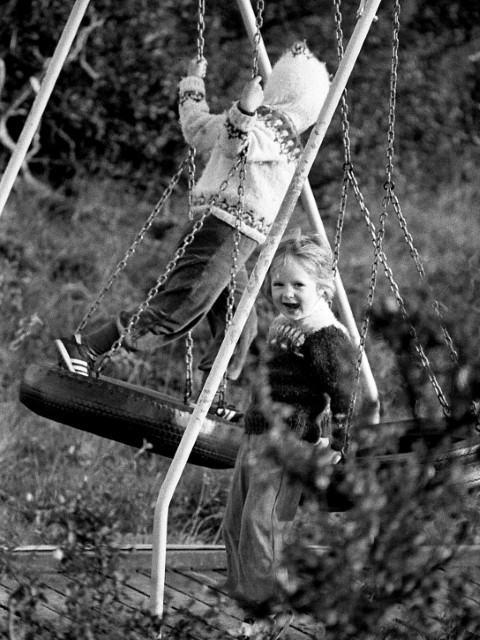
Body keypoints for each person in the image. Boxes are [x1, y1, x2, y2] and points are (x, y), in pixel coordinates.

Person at [54, 42, 331, 420]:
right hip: (226, 231)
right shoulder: (276, 128)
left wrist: (192, 83)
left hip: (227, 235)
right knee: (179, 308)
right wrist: (245, 110)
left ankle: (212, 397)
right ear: (306, 104)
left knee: (240, 325)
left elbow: (197, 128)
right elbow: (235, 144)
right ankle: (86, 347)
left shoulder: (257, 122)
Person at [222, 231, 356, 636]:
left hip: (288, 443)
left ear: (322, 287)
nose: (287, 293)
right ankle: (251, 608)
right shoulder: (283, 325)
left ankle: (272, 611)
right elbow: (272, 379)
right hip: (257, 435)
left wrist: (338, 444)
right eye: (278, 283)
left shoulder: (325, 335)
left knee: (262, 524)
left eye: (298, 284)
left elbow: (346, 392)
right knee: (235, 524)